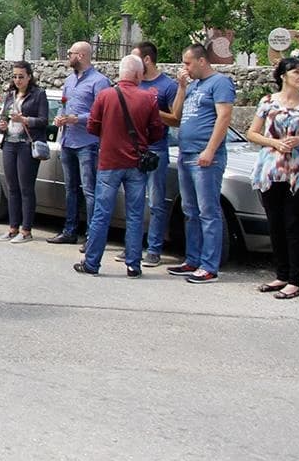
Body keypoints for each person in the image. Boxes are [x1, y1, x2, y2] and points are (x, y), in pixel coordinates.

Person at [73, 55, 165, 276]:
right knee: (135, 215)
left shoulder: (105, 96)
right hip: (136, 163)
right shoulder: (148, 98)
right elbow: (157, 132)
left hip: (109, 161)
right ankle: (133, 264)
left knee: (102, 214)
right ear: (137, 74)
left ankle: (92, 263)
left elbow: (92, 127)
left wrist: (110, 136)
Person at [245, 56, 299, 301]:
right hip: (271, 169)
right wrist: (275, 143)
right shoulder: (268, 102)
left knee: (294, 224)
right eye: (296, 72)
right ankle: (280, 273)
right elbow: (252, 133)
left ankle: (294, 280)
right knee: (275, 223)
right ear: (283, 76)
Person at [166, 43, 236, 284]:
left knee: (208, 211)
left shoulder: (220, 83)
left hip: (204, 155)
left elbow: (224, 116)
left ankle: (209, 265)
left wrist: (210, 149)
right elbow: (176, 116)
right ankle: (192, 258)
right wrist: (182, 87)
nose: (185, 68)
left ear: (202, 61)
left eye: (187, 63)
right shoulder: (193, 85)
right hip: (186, 153)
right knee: (190, 210)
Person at [47, 41, 110, 245]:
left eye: (70, 53)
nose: (68, 56)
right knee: (70, 188)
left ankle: (93, 235)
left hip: (87, 142)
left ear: (81, 55)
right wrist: (60, 117)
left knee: (89, 189)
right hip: (68, 140)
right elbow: (64, 105)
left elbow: (101, 113)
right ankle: (70, 230)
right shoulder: (69, 81)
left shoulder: (99, 82)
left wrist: (78, 118)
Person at [130, 41, 180, 267]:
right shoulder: (134, 83)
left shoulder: (167, 86)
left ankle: (154, 249)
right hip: (134, 148)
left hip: (156, 149)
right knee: (135, 201)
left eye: (136, 58)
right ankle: (133, 247)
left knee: (156, 202)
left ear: (147, 60)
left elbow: (175, 119)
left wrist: (149, 110)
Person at [0, 61, 49, 243]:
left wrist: (25, 119)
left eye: (21, 76)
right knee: (12, 188)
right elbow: (4, 116)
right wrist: (3, 125)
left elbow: (43, 120)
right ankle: (12, 228)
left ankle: (26, 230)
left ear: (29, 77)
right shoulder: (10, 94)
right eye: (15, 76)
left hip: (27, 144)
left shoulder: (39, 94)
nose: (18, 80)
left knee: (26, 188)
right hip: (10, 142)